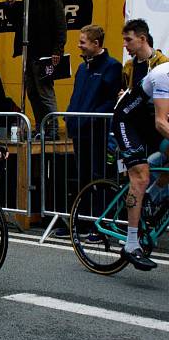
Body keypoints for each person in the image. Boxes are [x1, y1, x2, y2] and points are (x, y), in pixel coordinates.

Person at [60, 25, 123, 238]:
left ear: (96, 44)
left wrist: (87, 119)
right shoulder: (81, 68)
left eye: (83, 42)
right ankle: (82, 222)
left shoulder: (112, 67)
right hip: (80, 131)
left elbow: (110, 101)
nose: (79, 45)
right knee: (82, 178)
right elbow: (76, 96)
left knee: (99, 178)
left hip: (99, 131)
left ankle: (101, 225)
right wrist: (70, 116)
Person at [111, 60, 169, 270]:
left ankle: (150, 199)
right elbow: (161, 123)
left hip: (148, 123)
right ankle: (131, 244)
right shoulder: (164, 75)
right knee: (141, 176)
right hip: (127, 121)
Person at [5, 0, 66, 138]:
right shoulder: (26, 1)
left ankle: (53, 129)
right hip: (29, 53)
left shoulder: (52, 0)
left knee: (45, 92)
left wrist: (57, 51)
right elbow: (15, 21)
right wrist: (9, 6)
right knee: (32, 92)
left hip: (45, 54)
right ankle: (41, 127)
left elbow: (61, 28)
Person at [122, 19, 168, 90]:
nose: (124, 44)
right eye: (124, 40)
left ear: (142, 39)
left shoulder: (163, 64)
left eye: (128, 40)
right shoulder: (128, 66)